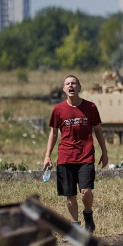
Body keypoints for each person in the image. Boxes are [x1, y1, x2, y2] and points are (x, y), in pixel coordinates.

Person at [44, 75, 108, 233]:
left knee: (86, 191)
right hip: (65, 157)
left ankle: (88, 213)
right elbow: (53, 134)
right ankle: (75, 227)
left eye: (74, 83)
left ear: (79, 87)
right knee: (70, 195)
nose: (71, 86)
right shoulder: (58, 110)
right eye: (67, 84)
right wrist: (47, 156)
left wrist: (104, 152)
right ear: (64, 89)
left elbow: (98, 130)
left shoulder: (90, 107)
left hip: (86, 155)